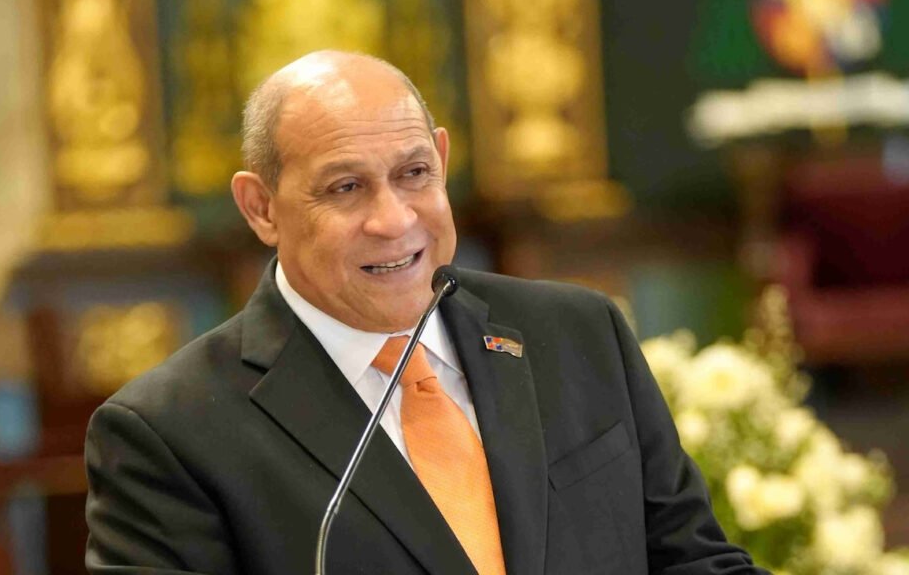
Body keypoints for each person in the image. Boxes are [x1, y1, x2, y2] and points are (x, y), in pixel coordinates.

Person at [84, 51, 769, 574]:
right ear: (261, 207)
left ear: (441, 159)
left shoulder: (578, 333)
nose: (394, 220)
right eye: (345, 188)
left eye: (413, 174)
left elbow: (691, 561)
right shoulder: (168, 434)